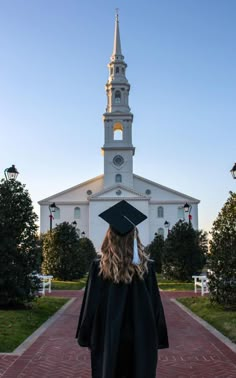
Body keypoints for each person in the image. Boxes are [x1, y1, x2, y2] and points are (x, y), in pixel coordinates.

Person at [75, 200, 169, 378]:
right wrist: (158, 336)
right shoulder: (146, 267)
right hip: (141, 336)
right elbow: (156, 305)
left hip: (107, 336)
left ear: (109, 236)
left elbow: (90, 305)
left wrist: (85, 335)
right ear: (135, 237)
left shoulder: (99, 268)